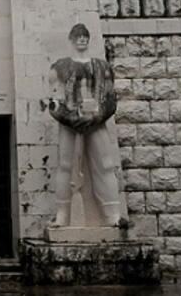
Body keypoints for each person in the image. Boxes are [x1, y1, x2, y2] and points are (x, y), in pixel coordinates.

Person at [47, 23, 127, 229]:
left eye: (85, 36)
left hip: (96, 121)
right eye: (77, 36)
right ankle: (62, 215)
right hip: (70, 122)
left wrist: (96, 117)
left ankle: (113, 216)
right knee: (65, 167)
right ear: (71, 39)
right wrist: (71, 119)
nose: (81, 39)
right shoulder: (60, 67)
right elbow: (53, 101)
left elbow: (110, 99)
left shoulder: (102, 67)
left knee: (105, 165)